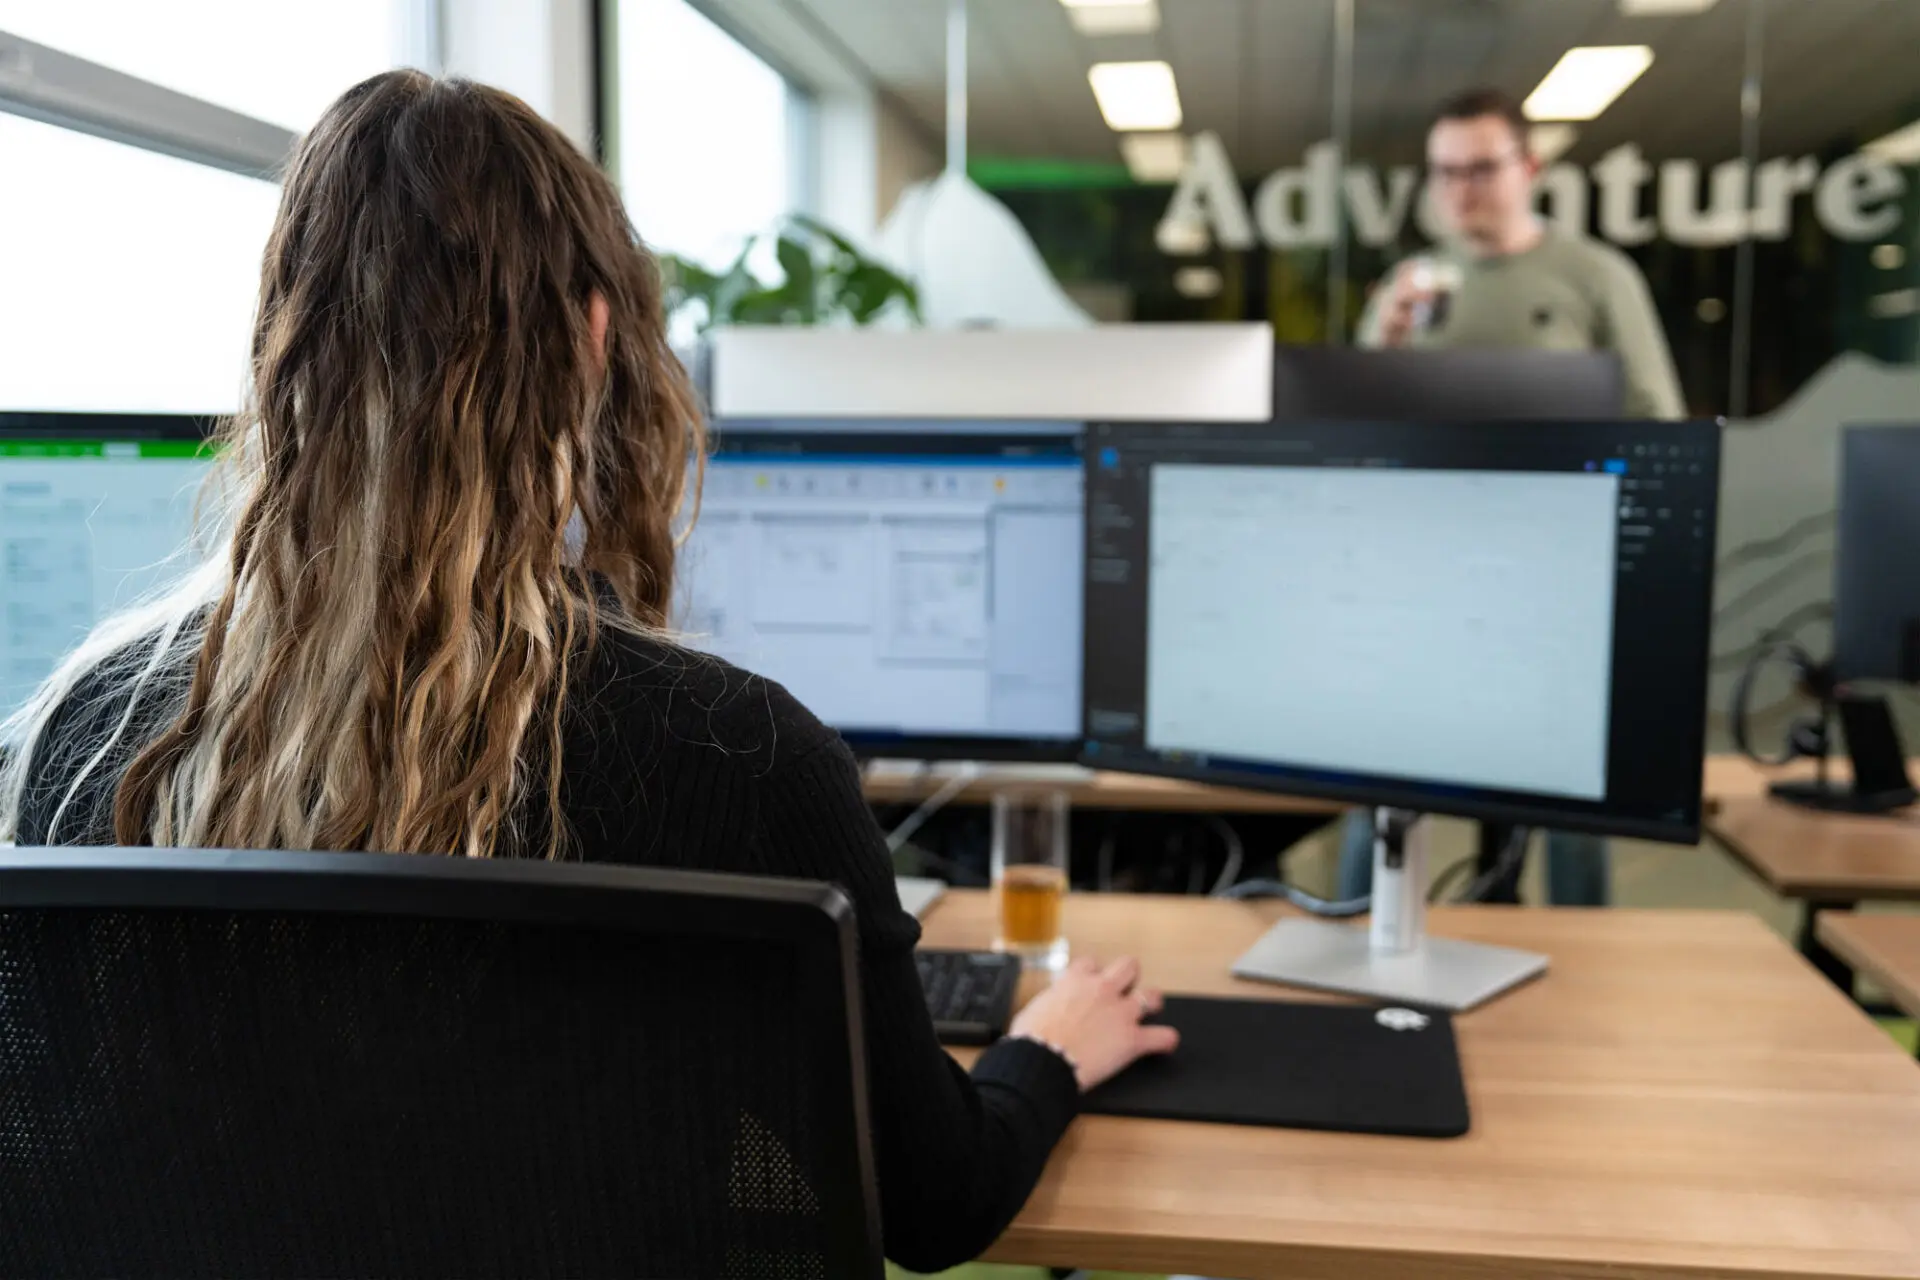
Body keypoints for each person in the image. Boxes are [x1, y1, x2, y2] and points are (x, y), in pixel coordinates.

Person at [0, 71, 1175, 1276]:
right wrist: (1046, 1049)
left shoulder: (86, 741)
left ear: (286, 342)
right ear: (595, 335)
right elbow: (931, 1206)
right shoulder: (739, 758)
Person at [1337, 86, 1686, 907]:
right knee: (1378, 780)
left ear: (1527, 166)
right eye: (1445, 172)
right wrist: (1382, 345)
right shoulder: (1409, 285)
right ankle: (1356, 935)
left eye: (1481, 168)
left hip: (1555, 583)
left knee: (1572, 802)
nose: (1462, 189)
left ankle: (1584, 960)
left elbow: (1658, 426)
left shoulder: (1594, 276)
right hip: (1424, 578)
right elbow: (1348, 429)